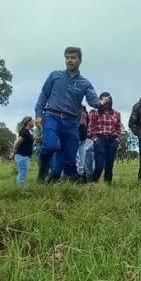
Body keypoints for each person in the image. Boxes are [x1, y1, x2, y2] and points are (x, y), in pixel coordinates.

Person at [34, 47, 106, 182]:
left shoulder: (85, 83)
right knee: (50, 145)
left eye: (73, 58)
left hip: (71, 121)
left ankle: (58, 179)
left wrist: (101, 103)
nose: (69, 60)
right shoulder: (55, 75)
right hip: (52, 116)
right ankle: (43, 168)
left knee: (70, 156)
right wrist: (38, 114)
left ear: (80, 60)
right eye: (67, 57)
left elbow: (93, 100)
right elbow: (44, 95)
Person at [89, 92, 121, 183]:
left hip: (112, 140)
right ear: (100, 100)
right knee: (99, 165)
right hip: (100, 140)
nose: (106, 101)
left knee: (109, 166)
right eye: (104, 99)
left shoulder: (116, 113)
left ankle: (108, 185)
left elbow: (118, 128)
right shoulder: (94, 112)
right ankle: (93, 183)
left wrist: (117, 140)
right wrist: (95, 139)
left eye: (108, 99)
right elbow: (92, 127)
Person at [12, 116, 35, 186]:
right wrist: (14, 150)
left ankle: (19, 189)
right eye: (32, 121)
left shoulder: (27, 132)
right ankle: (19, 191)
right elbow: (17, 142)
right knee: (22, 175)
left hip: (24, 156)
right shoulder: (25, 132)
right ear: (28, 122)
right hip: (22, 156)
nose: (34, 122)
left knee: (22, 174)